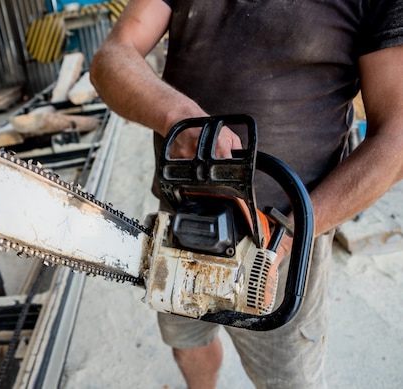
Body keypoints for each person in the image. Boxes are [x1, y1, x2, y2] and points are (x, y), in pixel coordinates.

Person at [89, 0, 403, 388]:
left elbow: (396, 139)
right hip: (182, 212)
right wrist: (178, 116)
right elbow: (111, 57)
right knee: (187, 342)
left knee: (288, 377)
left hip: (286, 236)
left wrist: (286, 237)